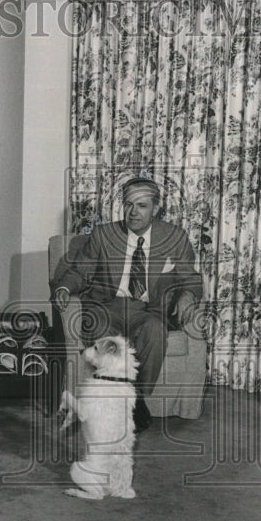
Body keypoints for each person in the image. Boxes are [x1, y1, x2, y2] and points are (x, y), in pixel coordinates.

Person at [52, 177, 203, 431]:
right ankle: (131, 403)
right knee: (99, 329)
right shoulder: (103, 234)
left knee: (155, 330)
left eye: (142, 206)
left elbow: (191, 278)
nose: (134, 212)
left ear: (155, 209)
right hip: (108, 305)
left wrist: (188, 295)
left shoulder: (175, 237)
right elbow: (80, 271)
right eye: (129, 204)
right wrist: (65, 287)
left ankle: (135, 397)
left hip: (148, 310)